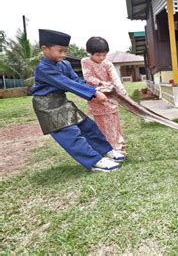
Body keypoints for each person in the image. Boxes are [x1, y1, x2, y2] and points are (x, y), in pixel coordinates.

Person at [31, 29, 125, 172]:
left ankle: (106, 151)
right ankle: (95, 161)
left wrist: (98, 90)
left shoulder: (65, 65)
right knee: (70, 134)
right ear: (45, 49)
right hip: (47, 106)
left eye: (65, 51)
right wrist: (93, 93)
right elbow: (66, 83)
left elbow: (76, 80)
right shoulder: (43, 69)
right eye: (60, 51)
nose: (63, 55)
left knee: (88, 126)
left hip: (61, 101)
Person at [81, 37, 127, 152]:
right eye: (98, 55)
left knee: (114, 119)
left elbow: (115, 79)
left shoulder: (108, 64)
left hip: (111, 96)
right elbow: (87, 77)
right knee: (103, 123)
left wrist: (122, 91)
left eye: (104, 55)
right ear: (90, 53)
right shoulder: (85, 62)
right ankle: (110, 147)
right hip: (97, 96)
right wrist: (101, 82)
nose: (101, 58)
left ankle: (118, 142)